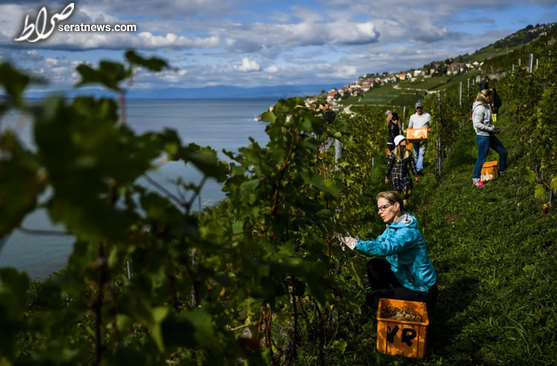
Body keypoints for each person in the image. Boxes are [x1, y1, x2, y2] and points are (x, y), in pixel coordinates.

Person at [338, 191, 438, 316]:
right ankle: (391, 302)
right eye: (379, 208)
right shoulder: (392, 227)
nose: (380, 212)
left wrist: (356, 244)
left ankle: (393, 306)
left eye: (384, 207)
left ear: (396, 206)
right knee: (374, 265)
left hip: (422, 292)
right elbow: (378, 243)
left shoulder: (408, 232)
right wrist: (355, 241)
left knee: (373, 299)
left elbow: (386, 247)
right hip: (405, 281)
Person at [471, 89, 508, 187]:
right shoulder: (479, 108)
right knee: (481, 158)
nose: (491, 99)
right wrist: (490, 129)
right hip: (483, 136)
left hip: (490, 134)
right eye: (490, 97)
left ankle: (502, 170)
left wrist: (492, 129)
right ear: (486, 97)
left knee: (503, 152)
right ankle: (476, 179)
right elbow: (477, 124)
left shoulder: (486, 106)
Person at [385, 135, 418, 210]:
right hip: (396, 175)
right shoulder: (393, 154)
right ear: (398, 143)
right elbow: (389, 165)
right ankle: (399, 208)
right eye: (403, 141)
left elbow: (412, 164)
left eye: (404, 140)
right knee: (397, 192)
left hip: (405, 174)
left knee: (409, 191)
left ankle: (404, 199)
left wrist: (415, 175)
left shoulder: (408, 153)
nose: (405, 142)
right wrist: (387, 176)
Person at [407, 101, 430, 174]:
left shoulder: (427, 116)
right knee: (416, 154)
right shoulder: (412, 117)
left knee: (422, 153)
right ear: (416, 109)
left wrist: (429, 129)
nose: (419, 109)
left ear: (422, 108)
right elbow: (410, 127)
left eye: (420, 108)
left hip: (423, 138)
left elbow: (431, 125)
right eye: (417, 108)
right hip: (414, 138)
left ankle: (418, 169)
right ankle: (417, 170)